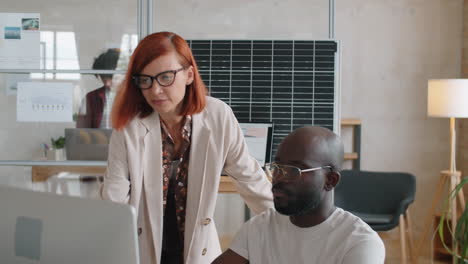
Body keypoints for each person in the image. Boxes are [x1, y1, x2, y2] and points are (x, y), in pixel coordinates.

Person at [99, 32, 273, 264]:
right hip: (142, 251)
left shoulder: (218, 116)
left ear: (189, 74)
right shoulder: (129, 126)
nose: (155, 90)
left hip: (198, 251)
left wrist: (291, 229)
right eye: (145, 80)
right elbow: (114, 199)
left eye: (166, 77)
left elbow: (252, 182)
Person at [213, 126, 386, 264]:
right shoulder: (259, 227)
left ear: (330, 180)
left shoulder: (359, 243)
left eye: (294, 170)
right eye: (277, 167)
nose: (279, 178)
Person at [77, 48, 120, 128]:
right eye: (103, 78)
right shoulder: (91, 98)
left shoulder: (133, 98)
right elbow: (81, 132)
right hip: (98, 140)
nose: (107, 83)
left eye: (111, 77)